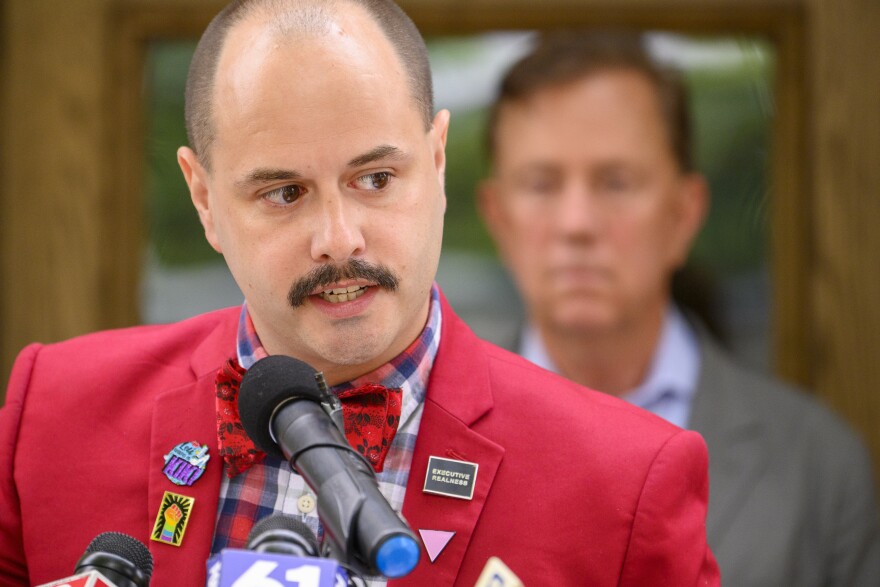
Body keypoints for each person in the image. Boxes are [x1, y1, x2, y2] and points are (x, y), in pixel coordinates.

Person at [0, 4, 720, 586]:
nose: (339, 238)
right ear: (204, 199)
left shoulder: (625, 484)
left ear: (436, 164)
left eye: (375, 179)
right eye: (284, 192)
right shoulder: (52, 415)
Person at [478, 31, 880, 587]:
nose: (576, 224)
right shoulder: (430, 429)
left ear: (684, 215)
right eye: (541, 184)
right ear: (498, 218)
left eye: (616, 182)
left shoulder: (818, 465)